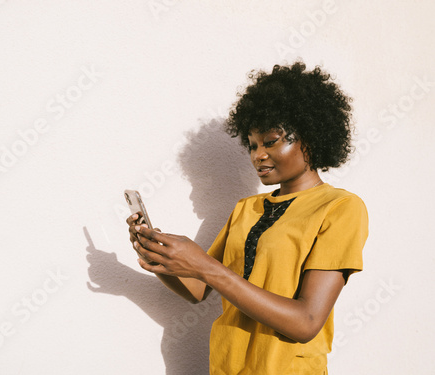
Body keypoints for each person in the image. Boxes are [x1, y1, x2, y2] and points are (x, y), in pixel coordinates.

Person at [127, 61, 368, 374]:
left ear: (310, 137)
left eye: (271, 142)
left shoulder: (339, 207)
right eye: (252, 145)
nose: (258, 155)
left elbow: (306, 321)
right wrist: (157, 256)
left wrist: (204, 265)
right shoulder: (247, 209)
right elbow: (199, 289)